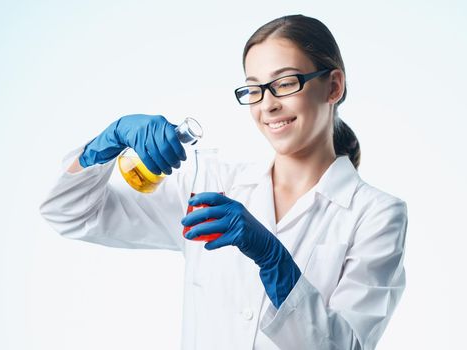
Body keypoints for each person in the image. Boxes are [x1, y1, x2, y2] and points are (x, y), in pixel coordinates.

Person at [40, 14, 408, 350]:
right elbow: (68, 213)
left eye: (284, 83)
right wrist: (106, 144)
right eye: (254, 89)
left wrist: (275, 262)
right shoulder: (211, 186)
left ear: (333, 87)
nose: (268, 105)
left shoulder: (377, 214)